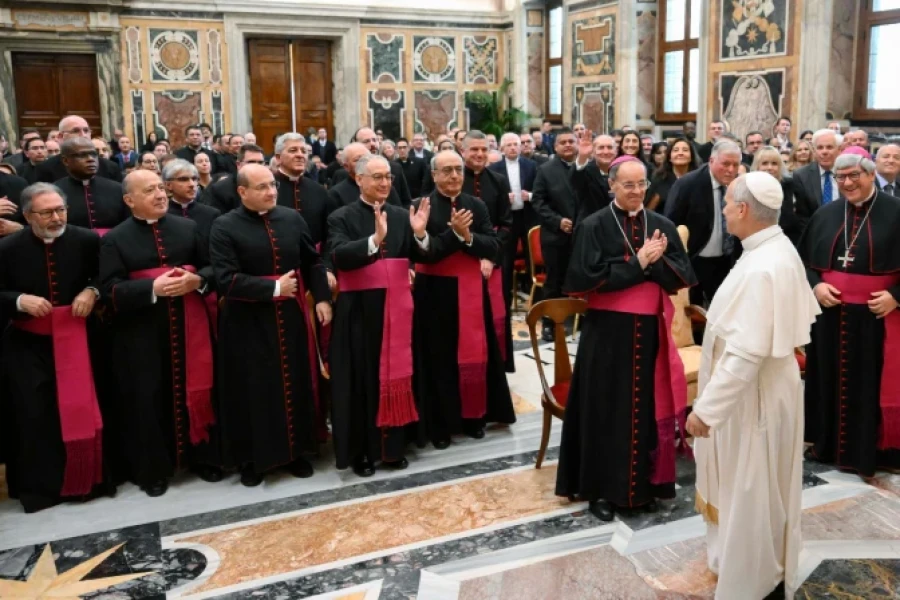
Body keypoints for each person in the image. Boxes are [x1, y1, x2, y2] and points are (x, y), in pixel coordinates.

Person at [688, 172, 819, 600]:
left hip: (753, 398)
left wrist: (706, 411)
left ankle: (750, 580)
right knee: (763, 486)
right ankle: (757, 567)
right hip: (766, 390)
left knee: (753, 489)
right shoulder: (773, 248)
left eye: (728, 203)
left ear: (743, 209)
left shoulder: (764, 265)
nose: (724, 210)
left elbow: (745, 352)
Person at [556, 156, 696, 521]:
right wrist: (639, 264)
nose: (636, 192)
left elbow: (682, 274)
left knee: (647, 407)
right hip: (606, 335)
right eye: (628, 185)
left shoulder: (662, 225)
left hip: (649, 333)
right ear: (612, 186)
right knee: (604, 410)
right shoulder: (593, 225)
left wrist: (655, 261)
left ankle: (645, 487)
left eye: (641, 184)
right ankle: (600, 491)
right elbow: (584, 278)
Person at [100, 170, 221, 497]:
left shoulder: (188, 228)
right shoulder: (115, 238)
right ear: (129, 200)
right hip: (142, 333)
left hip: (190, 326)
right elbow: (109, 290)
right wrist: (151, 288)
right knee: (148, 398)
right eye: (149, 190)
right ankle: (153, 470)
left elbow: (213, 268)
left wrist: (198, 281)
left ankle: (203, 457)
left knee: (197, 388)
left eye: (159, 188)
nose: (159, 195)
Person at [210, 164, 332, 486]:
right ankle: (253, 459)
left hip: (290, 317)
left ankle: (296, 452)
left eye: (272, 185)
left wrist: (322, 298)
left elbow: (312, 260)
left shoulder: (291, 218)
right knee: (254, 388)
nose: (271, 192)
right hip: (247, 322)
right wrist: (275, 288)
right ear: (242, 192)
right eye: (262, 187)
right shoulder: (224, 226)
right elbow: (225, 279)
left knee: (293, 381)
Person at [0, 182, 111, 513]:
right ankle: (43, 489)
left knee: (90, 407)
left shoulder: (87, 240)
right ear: (27, 215)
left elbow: (107, 277)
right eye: (47, 212)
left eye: (60, 210)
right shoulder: (7, 248)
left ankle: (90, 480)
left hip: (82, 340)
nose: (56, 218)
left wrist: (92, 291)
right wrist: (18, 300)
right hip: (29, 345)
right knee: (35, 414)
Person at [327, 154, 435, 477]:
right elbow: (339, 256)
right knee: (363, 378)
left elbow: (418, 256)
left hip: (398, 309)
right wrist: (374, 240)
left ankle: (394, 447)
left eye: (388, 176)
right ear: (358, 179)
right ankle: (363, 451)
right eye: (377, 177)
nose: (385, 182)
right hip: (360, 311)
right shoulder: (341, 217)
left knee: (400, 374)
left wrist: (420, 235)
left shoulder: (402, 215)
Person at [800, 149, 900, 478]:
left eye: (854, 175)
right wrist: (816, 286)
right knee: (828, 380)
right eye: (840, 177)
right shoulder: (826, 214)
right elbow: (803, 262)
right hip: (830, 317)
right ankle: (827, 446)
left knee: (870, 386)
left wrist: (896, 297)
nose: (847, 183)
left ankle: (875, 452)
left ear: (871, 174)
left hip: (877, 318)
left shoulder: (896, 211)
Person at [413, 150, 515, 448]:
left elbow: (493, 246)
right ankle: (441, 426)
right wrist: (455, 236)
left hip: (471, 290)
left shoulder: (476, 204)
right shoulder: (421, 206)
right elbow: (425, 254)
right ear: (434, 175)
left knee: (475, 355)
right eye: (446, 170)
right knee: (439, 358)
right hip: (434, 292)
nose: (454, 176)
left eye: (458, 169)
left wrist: (468, 237)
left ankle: (473, 418)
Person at [668, 140, 742, 306]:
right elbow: (671, 223)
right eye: (725, 164)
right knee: (693, 310)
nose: (731, 170)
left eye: (735, 165)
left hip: (726, 261)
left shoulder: (740, 185)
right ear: (711, 160)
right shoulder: (688, 184)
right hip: (693, 260)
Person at [461, 131, 513, 368]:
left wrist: (490, 257)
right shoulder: (453, 178)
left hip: (493, 257)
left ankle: (495, 366)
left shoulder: (499, 180)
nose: (480, 154)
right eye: (474, 149)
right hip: (461, 257)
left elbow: (506, 224)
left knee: (494, 313)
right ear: (463, 151)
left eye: (484, 149)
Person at [532, 128, 579, 341]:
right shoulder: (546, 170)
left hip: (583, 235)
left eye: (571, 141)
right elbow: (538, 202)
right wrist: (558, 221)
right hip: (556, 236)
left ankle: (581, 319)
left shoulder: (588, 167)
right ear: (555, 146)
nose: (567, 145)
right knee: (554, 282)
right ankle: (550, 323)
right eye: (563, 142)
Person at [489, 132, 538, 298]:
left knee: (531, 257)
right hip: (507, 219)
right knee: (506, 259)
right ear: (502, 148)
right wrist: (504, 198)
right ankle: (505, 297)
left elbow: (541, 190)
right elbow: (491, 195)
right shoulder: (494, 168)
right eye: (508, 145)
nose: (512, 148)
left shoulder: (531, 165)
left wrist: (530, 195)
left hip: (527, 215)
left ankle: (534, 297)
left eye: (515, 144)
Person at [52, 137, 128, 232]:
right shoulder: (54, 192)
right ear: (65, 161)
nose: (91, 159)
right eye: (82, 155)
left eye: (93, 154)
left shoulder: (117, 189)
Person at [273, 134, 330, 253]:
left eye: (304, 151)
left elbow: (327, 232)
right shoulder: (267, 187)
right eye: (293, 150)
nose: (300, 155)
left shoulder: (319, 190)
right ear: (278, 158)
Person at [751, 145, 816, 245]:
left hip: (787, 241)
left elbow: (799, 218)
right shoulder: (749, 188)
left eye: (774, 163)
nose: (769, 167)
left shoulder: (790, 186)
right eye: (764, 163)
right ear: (757, 166)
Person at [331, 128, 412, 206]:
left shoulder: (395, 169)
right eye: (366, 141)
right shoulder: (341, 176)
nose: (372, 144)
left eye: (374, 140)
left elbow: (405, 203)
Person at [37, 116, 123, 183]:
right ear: (60, 136)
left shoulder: (110, 167)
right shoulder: (46, 169)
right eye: (76, 131)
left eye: (86, 130)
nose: (83, 135)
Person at [164, 159, 221, 244]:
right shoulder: (162, 214)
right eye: (183, 179)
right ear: (168, 185)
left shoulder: (211, 214)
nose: (192, 184)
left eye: (194, 179)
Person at [200, 144, 267, 213]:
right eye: (251, 162)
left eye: (260, 162)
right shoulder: (220, 190)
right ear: (238, 165)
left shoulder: (270, 187)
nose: (257, 166)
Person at [792, 129, 840, 212]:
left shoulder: (847, 173)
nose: (824, 151)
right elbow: (802, 214)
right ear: (814, 151)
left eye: (829, 147)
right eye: (820, 148)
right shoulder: (801, 176)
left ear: (838, 150)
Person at [646, 138, 698, 214]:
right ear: (669, 157)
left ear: (691, 157)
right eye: (676, 150)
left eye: (685, 150)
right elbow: (649, 211)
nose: (680, 153)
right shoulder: (659, 179)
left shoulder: (699, 179)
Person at [572, 132, 616, 222]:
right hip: (590, 225)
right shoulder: (585, 171)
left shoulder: (622, 170)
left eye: (610, 147)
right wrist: (582, 157)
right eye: (601, 148)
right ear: (593, 151)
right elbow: (575, 180)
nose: (606, 152)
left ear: (616, 151)